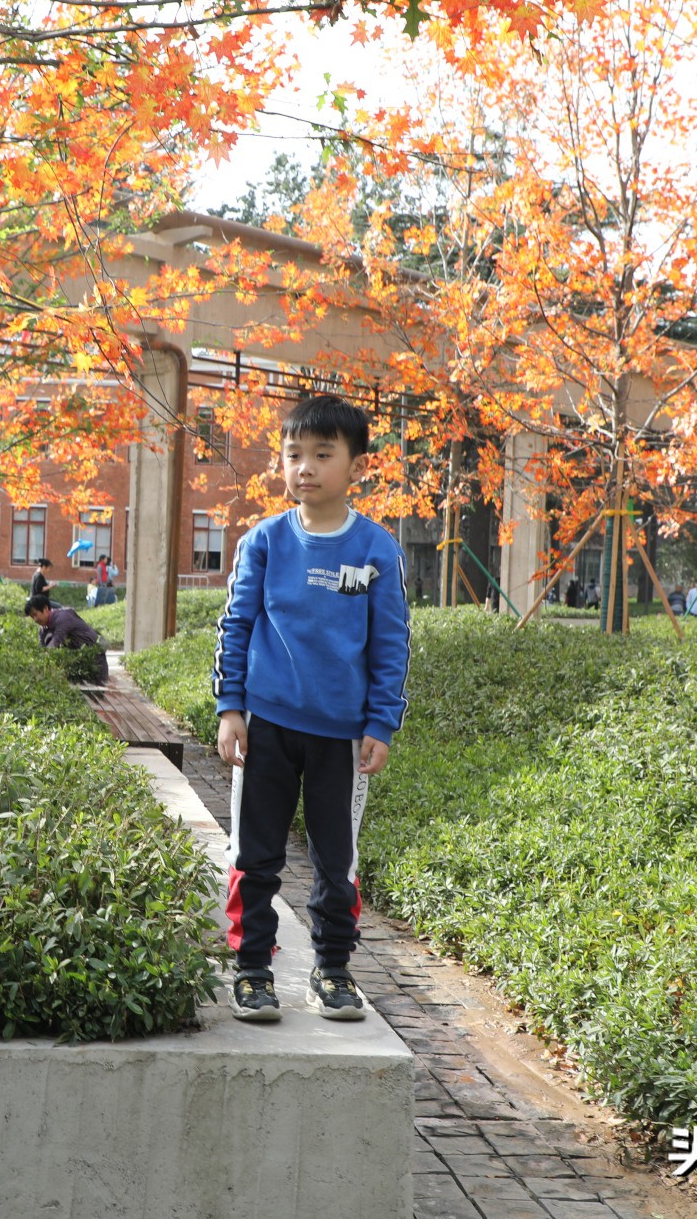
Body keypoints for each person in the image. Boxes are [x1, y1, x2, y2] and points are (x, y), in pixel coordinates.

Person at [212, 394, 409, 1025]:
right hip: (266, 727)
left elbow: (391, 642)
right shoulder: (264, 542)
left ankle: (332, 972)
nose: (305, 468)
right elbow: (236, 624)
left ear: (356, 466)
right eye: (294, 454)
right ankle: (252, 972)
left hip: (341, 740)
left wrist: (380, 723)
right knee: (255, 851)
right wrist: (230, 707)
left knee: (336, 858)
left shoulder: (378, 551)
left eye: (323, 455)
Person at [25, 591, 107, 681]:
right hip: (78, 659)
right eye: (32, 617)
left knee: (97, 688)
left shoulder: (62, 618)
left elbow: (53, 645)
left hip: (95, 656)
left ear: (45, 609)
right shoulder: (43, 628)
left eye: (35, 614)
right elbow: (42, 649)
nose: (35, 619)